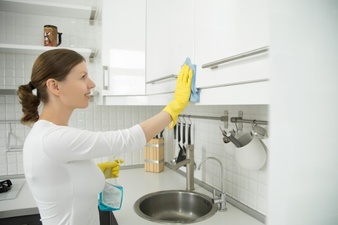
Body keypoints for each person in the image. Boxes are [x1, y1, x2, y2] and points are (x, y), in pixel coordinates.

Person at [17, 49, 193, 225]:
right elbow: (128, 138)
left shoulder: (47, 133)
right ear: (54, 86)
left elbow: (63, 182)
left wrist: (92, 171)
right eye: (83, 77)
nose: (92, 84)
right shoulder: (52, 138)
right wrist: (175, 106)